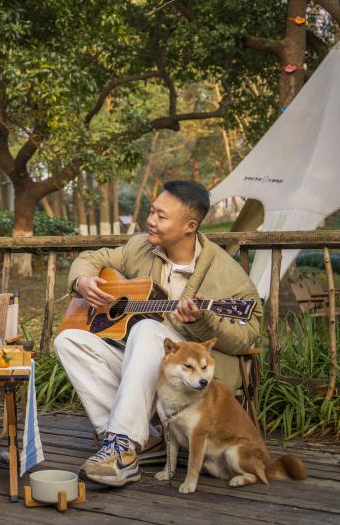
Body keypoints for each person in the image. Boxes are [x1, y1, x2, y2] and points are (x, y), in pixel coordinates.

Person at [54, 180, 261, 487]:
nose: (150, 220)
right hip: (141, 362)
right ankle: (142, 443)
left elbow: (249, 333)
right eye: (152, 211)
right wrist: (83, 281)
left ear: (190, 225)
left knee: (149, 328)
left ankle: (122, 448)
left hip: (194, 374)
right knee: (68, 340)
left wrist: (200, 322)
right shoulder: (140, 247)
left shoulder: (226, 273)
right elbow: (93, 258)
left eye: (161, 216)